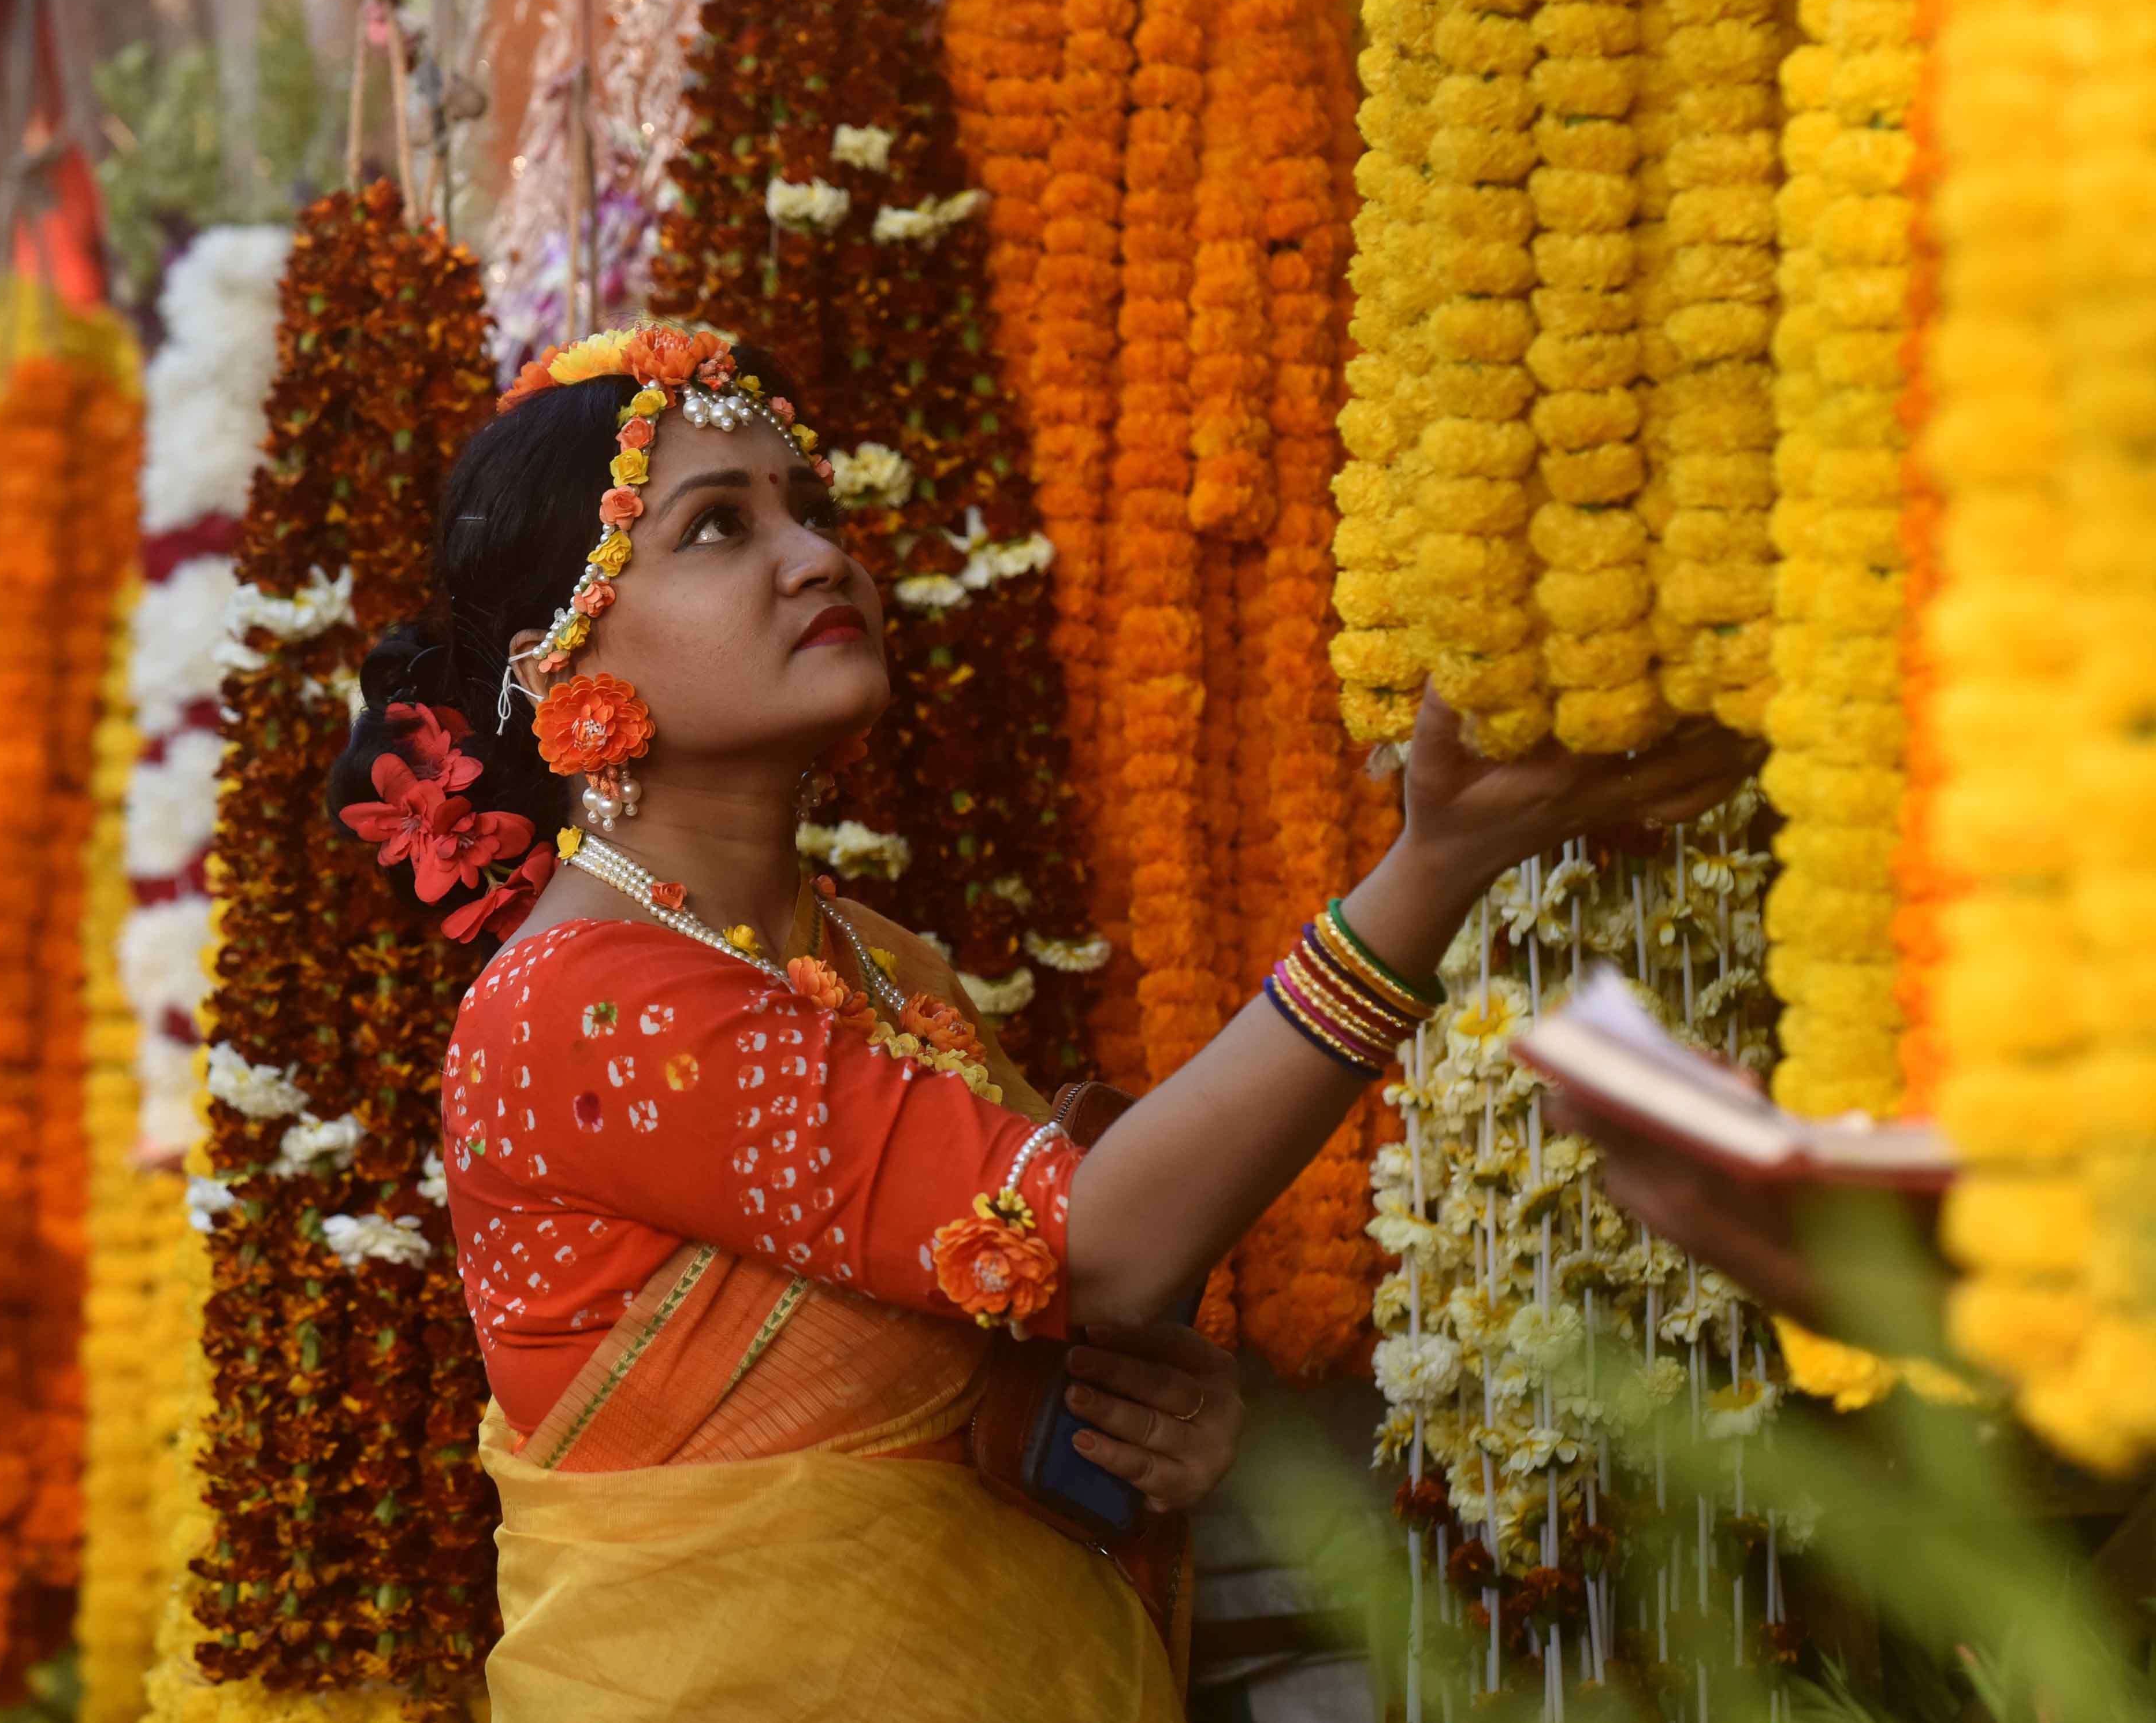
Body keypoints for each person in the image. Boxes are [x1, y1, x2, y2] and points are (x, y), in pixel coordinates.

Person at [325, 324, 1759, 1722]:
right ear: (555, 668)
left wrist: (1124, 1411)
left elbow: (1051, 1295)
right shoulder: (583, 1003)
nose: (819, 555)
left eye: (808, 509)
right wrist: (1428, 870)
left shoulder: (872, 960)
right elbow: (1103, 1239)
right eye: (715, 528)